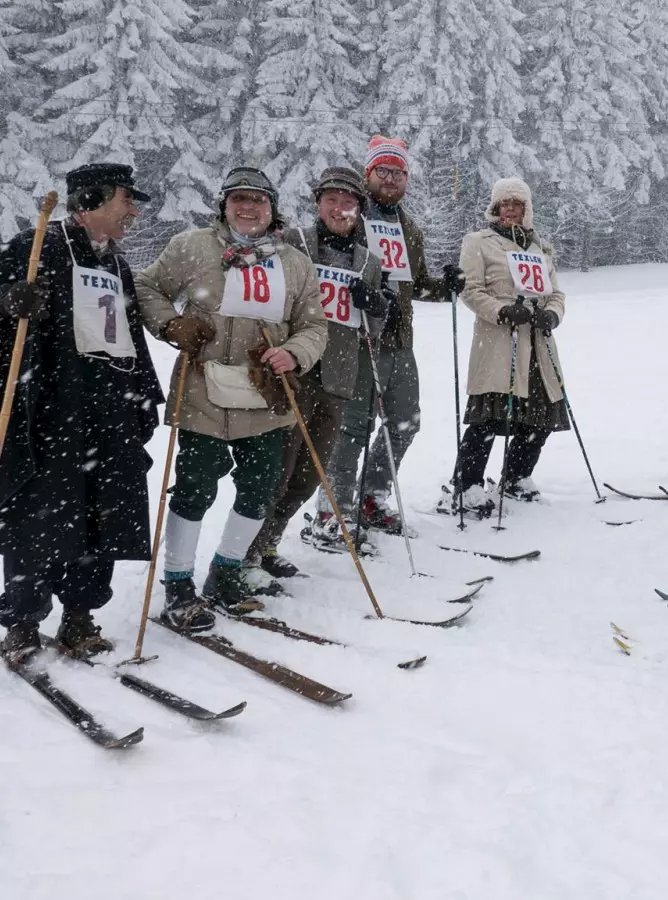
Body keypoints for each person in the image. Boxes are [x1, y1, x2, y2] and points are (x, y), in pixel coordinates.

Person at [136, 166, 328, 631]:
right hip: (202, 390)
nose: (247, 207)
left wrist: (295, 352)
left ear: (272, 208)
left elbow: (314, 325)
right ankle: (178, 584)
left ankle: (225, 572)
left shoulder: (293, 262)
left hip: (266, 395)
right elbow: (147, 287)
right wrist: (170, 324)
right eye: (238, 198)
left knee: (260, 486)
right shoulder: (193, 246)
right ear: (223, 204)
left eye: (257, 200)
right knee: (195, 487)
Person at [0, 164, 164, 659]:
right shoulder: (35, 248)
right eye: (125, 200)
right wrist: (9, 301)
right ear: (91, 202)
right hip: (51, 408)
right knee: (41, 516)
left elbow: (130, 333)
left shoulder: (116, 263)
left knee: (103, 512)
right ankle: (23, 622)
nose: (133, 211)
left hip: (110, 407)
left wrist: (141, 397)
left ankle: (79, 613)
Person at [242, 166, 390, 581]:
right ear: (318, 203)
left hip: (337, 379)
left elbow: (371, 330)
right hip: (291, 375)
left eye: (348, 203)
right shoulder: (293, 243)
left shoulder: (367, 262)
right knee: (277, 470)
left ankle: (267, 543)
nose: (339, 209)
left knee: (309, 476)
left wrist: (376, 306)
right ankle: (241, 554)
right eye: (331, 200)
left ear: (359, 209)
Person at [314, 136, 446, 542]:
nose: (390, 179)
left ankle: (372, 497)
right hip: (355, 338)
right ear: (368, 173)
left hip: (398, 340)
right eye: (382, 171)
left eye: (398, 172)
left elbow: (417, 283)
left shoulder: (409, 228)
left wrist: (446, 286)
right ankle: (333, 509)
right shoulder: (352, 215)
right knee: (351, 427)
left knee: (405, 422)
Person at [436, 177, 568, 517]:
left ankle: (516, 477)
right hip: (499, 341)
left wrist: (552, 314)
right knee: (491, 417)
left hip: (538, 344)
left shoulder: (539, 247)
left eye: (517, 204)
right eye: (504, 204)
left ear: (527, 210)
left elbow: (555, 293)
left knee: (540, 416)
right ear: (495, 209)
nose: (510, 210)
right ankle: (467, 486)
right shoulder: (479, 242)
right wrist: (502, 310)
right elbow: (471, 289)